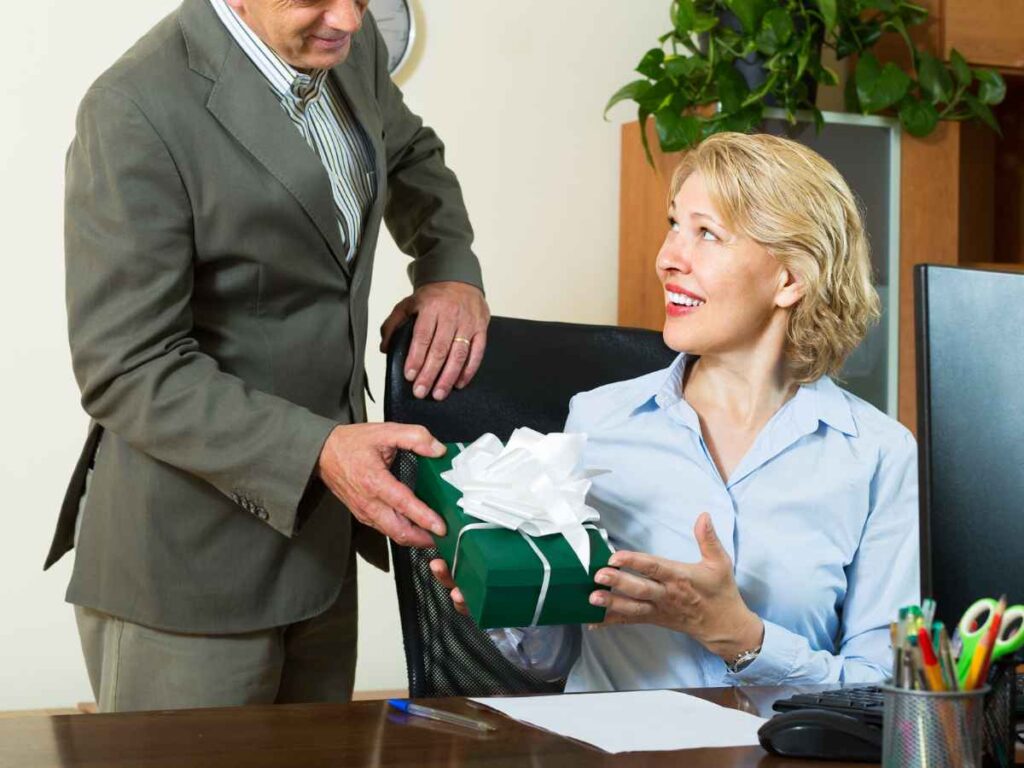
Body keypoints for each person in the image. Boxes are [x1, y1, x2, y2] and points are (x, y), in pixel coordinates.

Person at [45, 0, 489, 711]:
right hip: (188, 569)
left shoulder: (349, 39)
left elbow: (407, 150)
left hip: (321, 541)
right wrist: (320, 450)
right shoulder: (134, 107)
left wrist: (449, 266)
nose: (346, 20)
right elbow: (128, 366)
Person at [432, 132, 918, 690]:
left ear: (789, 279)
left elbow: (885, 690)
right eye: (673, 226)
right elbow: (556, 656)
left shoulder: (878, 454)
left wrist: (740, 636)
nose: (667, 259)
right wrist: (514, 601)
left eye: (707, 233)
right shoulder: (599, 422)